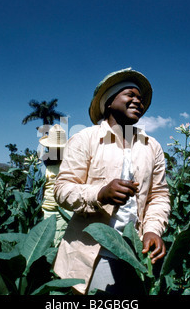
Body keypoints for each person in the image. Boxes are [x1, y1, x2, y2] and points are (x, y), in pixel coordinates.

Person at [53, 68, 171, 294]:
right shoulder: (85, 139)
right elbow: (62, 189)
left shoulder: (152, 146)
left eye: (141, 98)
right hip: (93, 255)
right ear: (108, 102)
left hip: (136, 254)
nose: (138, 101)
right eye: (130, 94)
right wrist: (99, 194)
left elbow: (159, 196)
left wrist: (153, 230)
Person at [25, 124, 68, 245]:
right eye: (53, 148)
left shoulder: (70, 165)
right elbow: (28, 190)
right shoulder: (37, 166)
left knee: (59, 246)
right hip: (43, 212)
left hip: (64, 213)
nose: (56, 151)